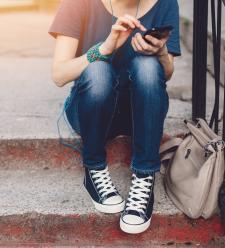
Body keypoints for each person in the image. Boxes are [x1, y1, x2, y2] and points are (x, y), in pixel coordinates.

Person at [48, 0, 181, 234]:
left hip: (140, 113)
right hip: (92, 110)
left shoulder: (166, 3)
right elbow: (59, 75)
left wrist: (160, 52)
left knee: (148, 66)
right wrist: (104, 49)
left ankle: (144, 175)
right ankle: (94, 167)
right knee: (98, 71)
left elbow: (166, 74)